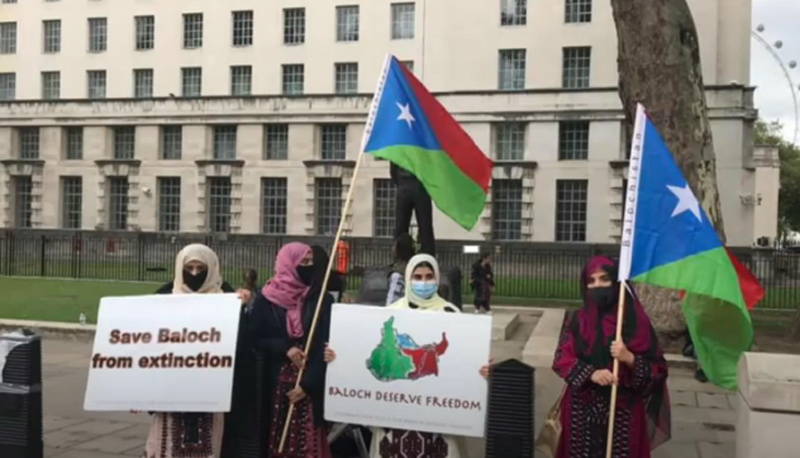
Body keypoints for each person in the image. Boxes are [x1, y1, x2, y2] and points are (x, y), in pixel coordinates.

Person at [325, 254, 490, 458]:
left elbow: (462, 362)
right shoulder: (391, 313)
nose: (423, 282)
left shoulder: (450, 314)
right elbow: (369, 357)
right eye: (417, 277)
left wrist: (479, 369)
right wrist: (339, 358)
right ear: (408, 279)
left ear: (437, 279)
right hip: (393, 423)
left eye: (429, 277)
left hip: (437, 422)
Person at [552, 256, 671, 458]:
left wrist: (629, 358)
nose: (597, 285)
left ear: (616, 282)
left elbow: (658, 371)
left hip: (622, 412)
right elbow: (561, 359)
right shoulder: (577, 320)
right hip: (581, 412)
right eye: (591, 281)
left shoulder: (634, 320)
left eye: (604, 279)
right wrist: (591, 374)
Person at [144, 243, 254, 458]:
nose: (194, 274)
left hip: (213, 392)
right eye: (190, 268)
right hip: (171, 390)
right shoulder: (164, 296)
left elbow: (242, 345)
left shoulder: (228, 298)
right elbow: (147, 346)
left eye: (200, 269)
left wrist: (246, 307)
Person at [249, 242, 333, 458]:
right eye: (302, 263)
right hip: (275, 386)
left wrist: (308, 384)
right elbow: (256, 338)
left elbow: (325, 341)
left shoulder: (320, 298)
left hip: (308, 388)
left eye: (310, 262)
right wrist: (285, 348)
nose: (308, 267)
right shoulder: (266, 300)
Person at [391, 163, 435, 255]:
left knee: (400, 228)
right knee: (425, 228)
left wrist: (401, 182)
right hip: (420, 186)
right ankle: (428, 259)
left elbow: (393, 171)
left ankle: (400, 259)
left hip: (404, 186)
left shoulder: (399, 148)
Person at [386, 233, 416, 306]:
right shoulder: (414, 267)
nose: (392, 249)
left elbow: (392, 299)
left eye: (394, 246)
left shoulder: (398, 274)